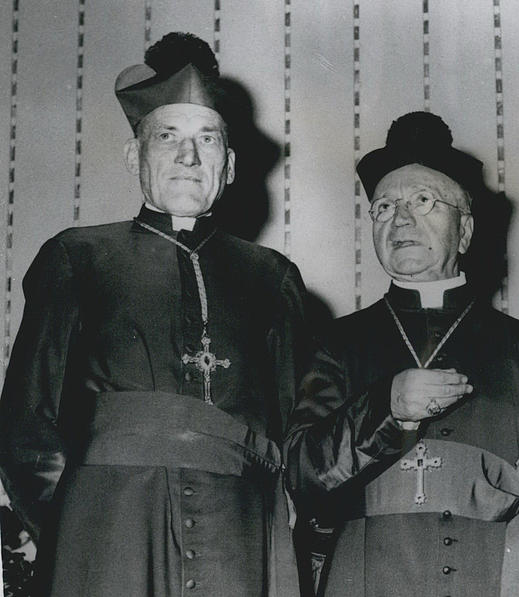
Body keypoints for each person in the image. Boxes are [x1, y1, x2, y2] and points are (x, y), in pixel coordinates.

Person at [0, 33, 306, 597]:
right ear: (132, 155)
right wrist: (75, 530)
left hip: (241, 539)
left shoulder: (273, 277)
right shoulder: (77, 257)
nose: (189, 157)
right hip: (107, 531)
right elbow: (26, 423)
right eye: (168, 136)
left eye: (207, 139)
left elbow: (296, 437)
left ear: (231, 164)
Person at [286, 111, 519, 597]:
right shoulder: (336, 344)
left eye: (423, 201)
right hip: (366, 579)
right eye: (384, 207)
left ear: (466, 231)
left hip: (495, 577)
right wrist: (385, 409)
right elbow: (302, 474)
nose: (400, 218)